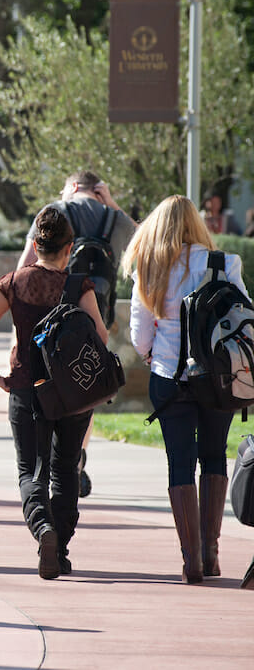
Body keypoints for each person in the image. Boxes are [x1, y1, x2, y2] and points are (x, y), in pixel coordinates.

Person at [0, 206, 105, 579]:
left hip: (27, 388)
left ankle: (41, 527)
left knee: (31, 470)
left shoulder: (13, 283)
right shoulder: (79, 286)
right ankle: (59, 549)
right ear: (69, 248)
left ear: (34, 244)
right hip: (73, 394)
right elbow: (102, 338)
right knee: (66, 469)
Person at [122, 195, 248, 583]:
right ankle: (212, 553)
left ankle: (190, 560)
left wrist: (152, 355)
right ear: (197, 224)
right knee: (214, 457)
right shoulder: (225, 264)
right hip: (219, 380)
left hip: (168, 378)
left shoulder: (150, 268)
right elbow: (242, 316)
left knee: (180, 461)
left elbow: (139, 334)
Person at [17, 170, 135, 499]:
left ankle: (47, 464)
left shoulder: (55, 212)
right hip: (94, 321)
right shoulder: (114, 219)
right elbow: (147, 246)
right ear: (98, 189)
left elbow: (25, 268)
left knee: (46, 388)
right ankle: (77, 455)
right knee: (86, 388)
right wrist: (113, 204)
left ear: (71, 187)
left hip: (50, 323)